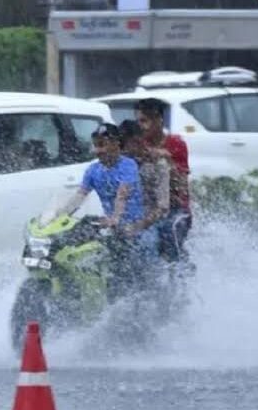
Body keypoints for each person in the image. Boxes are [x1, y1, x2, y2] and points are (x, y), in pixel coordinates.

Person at [49, 123, 154, 298]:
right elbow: (80, 196)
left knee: (129, 273)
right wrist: (59, 215)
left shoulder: (128, 165)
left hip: (135, 230)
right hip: (112, 228)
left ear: (116, 144)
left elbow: (122, 193)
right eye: (96, 145)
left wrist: (115, 217)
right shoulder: (93, 170)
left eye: (102, 145)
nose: (98, 150)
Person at [134, 98, 192, 263]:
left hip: (177, 209)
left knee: (169, 233)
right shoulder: (139, 144)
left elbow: (181, 183)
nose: (140, 126)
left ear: (159, 120)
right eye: (138, 121)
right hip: (150, 209)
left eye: (144, 121)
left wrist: (166, 159)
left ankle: (182, 277)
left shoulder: (176, 144)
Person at [119, 119, 171, 235]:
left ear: (140, 141)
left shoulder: (156, 165)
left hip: (152, 223)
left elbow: (162, 208)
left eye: (132, 143)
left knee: (147, 241)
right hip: (122, 222)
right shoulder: (118, 165)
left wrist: (138, 227)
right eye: (122, 145)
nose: (126, 150)